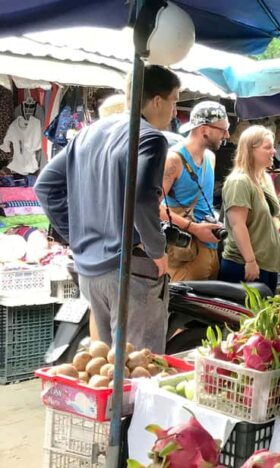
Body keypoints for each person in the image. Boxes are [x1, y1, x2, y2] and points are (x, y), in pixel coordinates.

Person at [34, 65, 180, 353]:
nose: (175, 111)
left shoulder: (88, 134)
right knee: (140, 366)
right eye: (174, 101)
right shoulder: (150, 137)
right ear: (157, 101)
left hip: (90, 271)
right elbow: (142, 199)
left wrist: (77, 236)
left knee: (106, 364)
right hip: (130, 270)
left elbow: (45, 187)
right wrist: (157, 249)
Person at [159, 101, 229, 281]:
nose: (227, 135)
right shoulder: (173, 160)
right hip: (186, 250)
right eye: (223, 130)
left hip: (210, 248)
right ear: (204, 129)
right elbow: (153, 207)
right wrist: (194, 228)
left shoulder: (210, 157)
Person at [218, 125, 280, 292]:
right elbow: (237, 225)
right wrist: (250, 261)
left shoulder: (264, 178)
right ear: (250, 150)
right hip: (244, 265)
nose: (273, 151)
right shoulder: (239, 181)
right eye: (267, 147)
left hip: (266, 264)